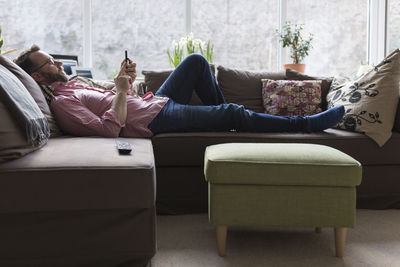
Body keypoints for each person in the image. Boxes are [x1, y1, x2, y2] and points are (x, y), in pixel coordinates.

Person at [14, 45, 345, 138]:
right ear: (39, 77)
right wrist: (120, 91)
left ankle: (230, 121)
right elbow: (109, 128)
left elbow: (116, 96)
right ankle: (306, 123)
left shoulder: (74, 84)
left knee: (196, 62)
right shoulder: (63, 103)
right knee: (232, 113)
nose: (58, 62)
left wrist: (121, 80)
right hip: (152, 120)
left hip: (152, 102)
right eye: (49, 62)